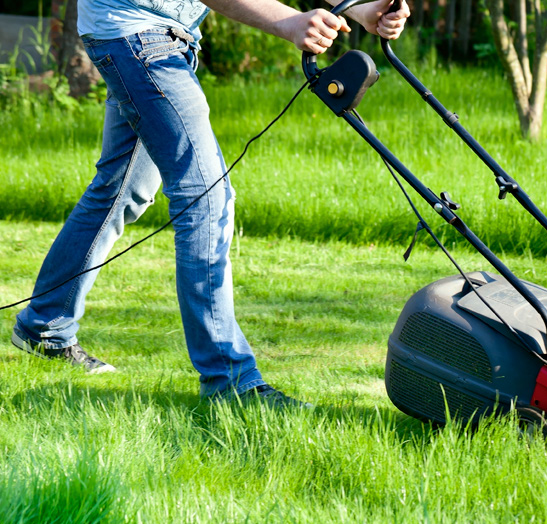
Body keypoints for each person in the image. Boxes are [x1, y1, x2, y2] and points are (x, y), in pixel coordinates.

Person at [11, 0, 409, 406]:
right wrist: (289, 22)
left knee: (121, 191)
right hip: (135, 32)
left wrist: (363, 7)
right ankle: (229, 381)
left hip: (158, 34)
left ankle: (44, 325)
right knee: (204, 197)